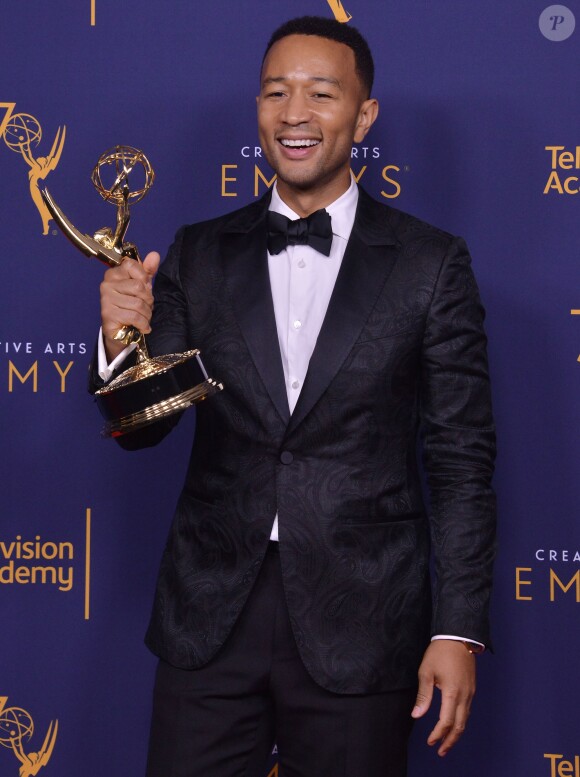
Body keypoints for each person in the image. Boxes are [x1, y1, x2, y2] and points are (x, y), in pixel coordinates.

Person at [92, 15, 496, 777]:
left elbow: (461, 460)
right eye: (276, 92)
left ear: (364, 114)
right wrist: (120, 341)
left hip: (365, 616)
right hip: (209, 613)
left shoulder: (430, 264)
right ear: (258, 110)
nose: (294, 113)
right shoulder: (197, 252)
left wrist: (459, 628)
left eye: (320, 92)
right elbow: (141, 428)